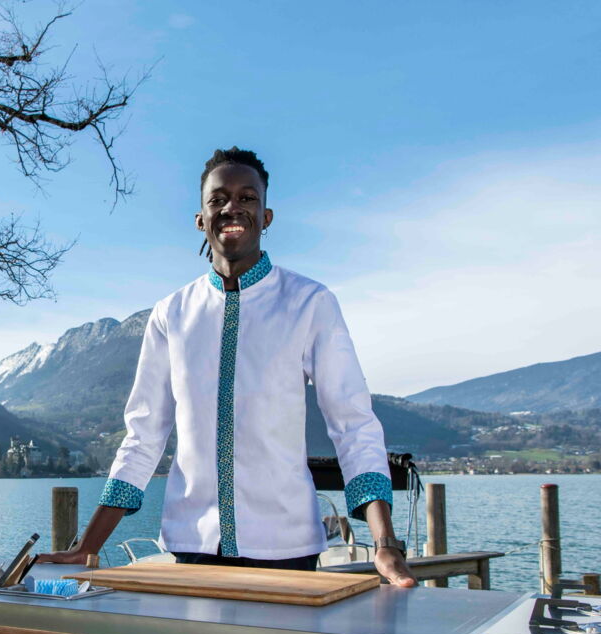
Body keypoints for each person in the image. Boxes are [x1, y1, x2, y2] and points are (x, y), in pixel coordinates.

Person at [39, 147, 417, 587]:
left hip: (287, 550)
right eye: (217, 199)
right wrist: (88, 547)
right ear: (200, 218)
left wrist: (385, 545)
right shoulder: (171, 314)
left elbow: (354, 425)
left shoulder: (310, 303)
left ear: (267, 215)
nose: (231, 208)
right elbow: (143, 436)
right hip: (191, 549)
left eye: (246, 197)